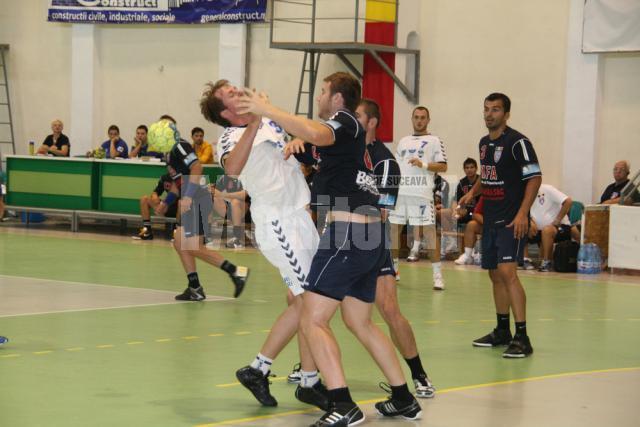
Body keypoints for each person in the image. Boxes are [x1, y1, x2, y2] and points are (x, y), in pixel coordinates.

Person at [238, 72, 422, 426]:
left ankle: (343, 404)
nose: (319, 96)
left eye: (323, 91)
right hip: (369, 238)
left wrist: (268, 109)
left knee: (313, 316)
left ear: (337, 98)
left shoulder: (345, 120)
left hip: (348, 237)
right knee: (360, 322)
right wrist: (296, 143)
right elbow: (318, 144)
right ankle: (403, 398)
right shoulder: (341, 135)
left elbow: (319, 133)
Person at [200, 80, 327, 411]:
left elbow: (294, 141)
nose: (239, 91)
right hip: (279, 223)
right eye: (230, 93)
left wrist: (297, 139)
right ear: (226, 111)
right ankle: (265, 369)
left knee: (309, 300)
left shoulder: (268, 121)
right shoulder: (228, 137)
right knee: (308, 301)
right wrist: (255, 120)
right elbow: (232, 170)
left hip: (301, 216)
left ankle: (304, 378)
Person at [356, 98, 436, 399]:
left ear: (373, 121)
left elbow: (383, 211)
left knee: (389, 308)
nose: (354, 121)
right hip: (338, 238)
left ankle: (418, 375)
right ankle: (308, 372)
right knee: (311, 303)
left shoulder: (383, 159)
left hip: (371, 240)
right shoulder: (346, 150)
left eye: (359, 116)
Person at [458, 92, 541, 358]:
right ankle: (502, 330)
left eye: (495, 110)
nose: (489, 114)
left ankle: (522, 336)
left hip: (511, 219)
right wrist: (473, 192)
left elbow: (534, 178)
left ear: (506, 114)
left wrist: (522, 214)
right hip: (491, 219)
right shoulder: (484, 143)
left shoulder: (518, 142)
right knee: (494, 274)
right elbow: (488, 174)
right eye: (486, 109)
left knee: (508, 274)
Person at [163, 135, 249, 301]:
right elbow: (176, 182)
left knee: (190, 245)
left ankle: (236, 272)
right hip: (192, 197)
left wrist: (187, 197)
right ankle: (195, 287)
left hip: (196, 196)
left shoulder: (179, 146)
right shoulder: (169, 154)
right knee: (181, 243)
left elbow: (197, 168)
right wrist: (166, 203)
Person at [390, 106, 448, 290]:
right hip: (401, 193)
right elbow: (396, 167)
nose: (419, 120)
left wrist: (422, 164)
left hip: (421, 194)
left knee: (430, 234)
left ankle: (437, 276)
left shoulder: (434, 140)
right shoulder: (404, 141)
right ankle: (394, 271)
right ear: (412, 119)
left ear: (428, 120)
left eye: (423, 117)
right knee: (393, 232)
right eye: (416, 117)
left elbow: (443, 167)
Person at [528, 184, 580, 272]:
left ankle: (547, 261)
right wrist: (529, 221)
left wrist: (557, 220)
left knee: (547, 230)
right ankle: (525, 260)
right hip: (538, 229)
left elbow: (568, 201)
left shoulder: (548, 189)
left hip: (559, 226)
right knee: (522, 226)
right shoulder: (525, 194)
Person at [132, 172, 178, 240]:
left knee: (182, 203)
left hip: (179, 209)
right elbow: (155, 192)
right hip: (165, 208)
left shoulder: (182, 179)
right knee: (144, 199)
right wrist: (155, 196)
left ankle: (177, 232)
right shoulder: (164, 178)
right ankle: (147, 231)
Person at [211, 175, 249, 249]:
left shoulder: (246, 175)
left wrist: (222, 194)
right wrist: (211, 190)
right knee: (211, 197)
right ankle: (204, 234)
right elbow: (215, 191)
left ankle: (237, 237)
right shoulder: (224, 178)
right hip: (233, 210)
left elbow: (244, 195)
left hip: (248, 211)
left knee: (235, 202)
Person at [455, 196, 484, 265]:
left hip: (503, 224)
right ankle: (467, 255)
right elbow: (475, 214)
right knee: (471, 225)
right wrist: (488, 223)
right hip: (487, 224)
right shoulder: (485, 196)